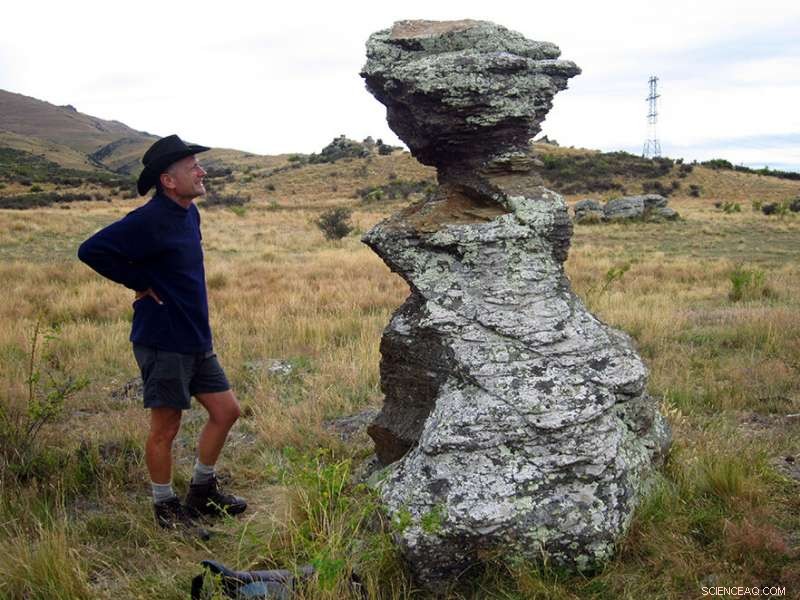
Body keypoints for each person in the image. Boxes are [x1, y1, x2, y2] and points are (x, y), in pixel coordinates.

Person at [78, 134, 246, 531]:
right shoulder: (148, 219)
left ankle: (202, 491)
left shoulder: (190, 213)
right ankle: (165, 507)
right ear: (169, 181)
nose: (202, 171)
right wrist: (138, 280)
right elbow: (91, 250)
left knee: (227, 412)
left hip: (195, 336)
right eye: (193, 167)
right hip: (162, 339)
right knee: (166, 428)